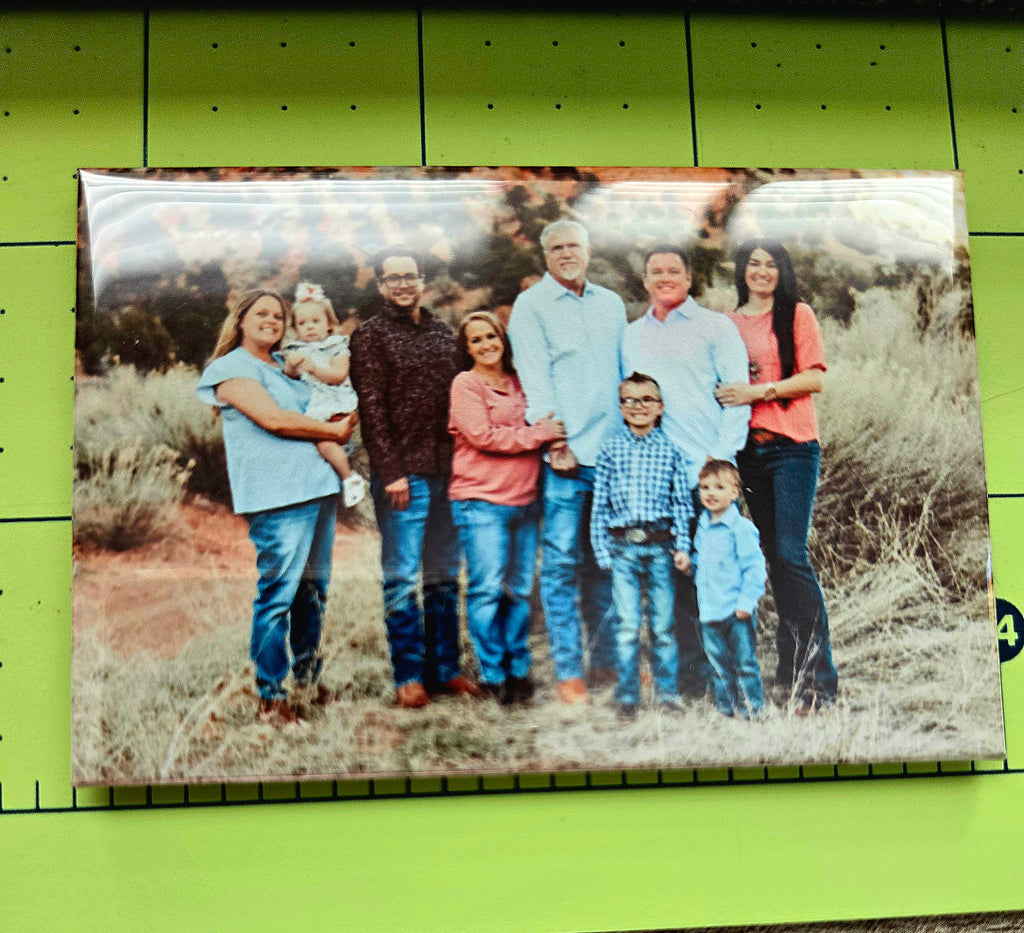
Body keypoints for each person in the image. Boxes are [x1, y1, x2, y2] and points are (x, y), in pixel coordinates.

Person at [196, 288, 356, 726]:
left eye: (279, 316)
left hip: (317, 488)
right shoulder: (230, 369)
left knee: (313, 591)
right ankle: (271, 696)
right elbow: (275, 420)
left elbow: (334, 401)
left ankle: (307, 681)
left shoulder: (288, 364)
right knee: (278, 595)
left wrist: (345, 418)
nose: (272, 321)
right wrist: (334, 432)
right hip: (276, 498)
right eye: (261, 314)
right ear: (240, 321)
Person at [349, 247, 481, 709]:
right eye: (393, 278)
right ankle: (408, 675)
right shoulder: (370, 336)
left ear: (423, 281)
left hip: (450, 472)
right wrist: (391, 473)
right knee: (402, 577)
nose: (403, 284)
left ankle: (445, 670)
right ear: (381, 285)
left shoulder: (444, 334)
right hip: (404, 477)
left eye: (410, 276)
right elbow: (372, 409)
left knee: (444, 575)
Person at [620, 245, 751, 699]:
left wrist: (718, 464)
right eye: (655, 271)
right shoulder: (632, 335)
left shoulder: (716, 327)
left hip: (707, 476)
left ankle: (731, 676)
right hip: (657, 481)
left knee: (718, 579)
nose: (664, 277)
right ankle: (692, 678)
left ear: (689, 278)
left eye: (673, 270)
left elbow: (738, 398)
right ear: (645, 280)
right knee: (673, 583)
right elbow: (631, 402)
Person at [715, 238, 837, 712]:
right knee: (773, 558)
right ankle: (790, 669)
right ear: (742, 270)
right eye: (753, 263)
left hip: (792, 449)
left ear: (781, 271)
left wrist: (758, 391)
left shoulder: (797, 315)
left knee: (790, 554)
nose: (762, 271)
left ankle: (820, 682)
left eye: (771, 264)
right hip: (748, 454)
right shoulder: (728, 323)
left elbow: (814, 378)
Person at [507, 219, 626, 704]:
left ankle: (607, 662)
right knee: (560, 567)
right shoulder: (531, 305)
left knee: (606, 563)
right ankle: (569, 672)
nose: (566, 254)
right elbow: (535, 379)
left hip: (613, 456)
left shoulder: (611, 303)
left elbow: (622, 374)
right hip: (567, 458)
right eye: (556, 248)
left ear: (589, 250)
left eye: (574, 245)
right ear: (545, 256)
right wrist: (555, 442)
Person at [448, 312, 566, 704]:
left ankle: (518, 669)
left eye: (491, 336)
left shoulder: (519, 381)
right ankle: (493, 673)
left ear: (503, 339)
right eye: (476, 340)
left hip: (525, 501)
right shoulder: (466, 384)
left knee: (519, 590)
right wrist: (538, 434)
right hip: (482, 502)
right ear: (467, 348)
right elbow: (482, 436)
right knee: (486, 590)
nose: (486, 345)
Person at [590, 373, 693, 720]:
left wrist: (683, 546)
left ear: (660, 407)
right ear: (621, 408)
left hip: (661, 548)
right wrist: (602, 550)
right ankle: (628, 697)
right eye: (630, 400)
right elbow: (600, 505)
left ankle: (668, 695)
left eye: (646, 399)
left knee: (663, 627)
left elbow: (681, 505)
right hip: (622, 550)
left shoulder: (671, 451)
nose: (638, 406)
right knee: (627, 626)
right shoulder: (611, 450)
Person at [690, 460, 767, 719]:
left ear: (735, 492)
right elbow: (702, 562)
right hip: (709, 610)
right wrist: (688, 564)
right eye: (705, 487)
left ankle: (752, 709)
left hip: (735, 610)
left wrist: (747, 602)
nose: (710, 493)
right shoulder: (703, 526)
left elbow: (754, 568)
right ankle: (725, 708)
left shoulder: (740, 528)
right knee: (718, 664)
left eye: (719, 487)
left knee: (744, 663)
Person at [282, 282, 365, 508]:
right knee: (311, 443)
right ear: (295, 328)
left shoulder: (336, 346)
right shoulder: (296, 350)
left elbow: (338, 375)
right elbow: (290, 378)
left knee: (323, 442)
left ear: (329, 323)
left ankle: (349, 477)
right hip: (313, 405)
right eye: (302, 323)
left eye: (316, 321)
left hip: (335, 402)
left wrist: (314, 369)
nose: (309, 327)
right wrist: (291, 366)